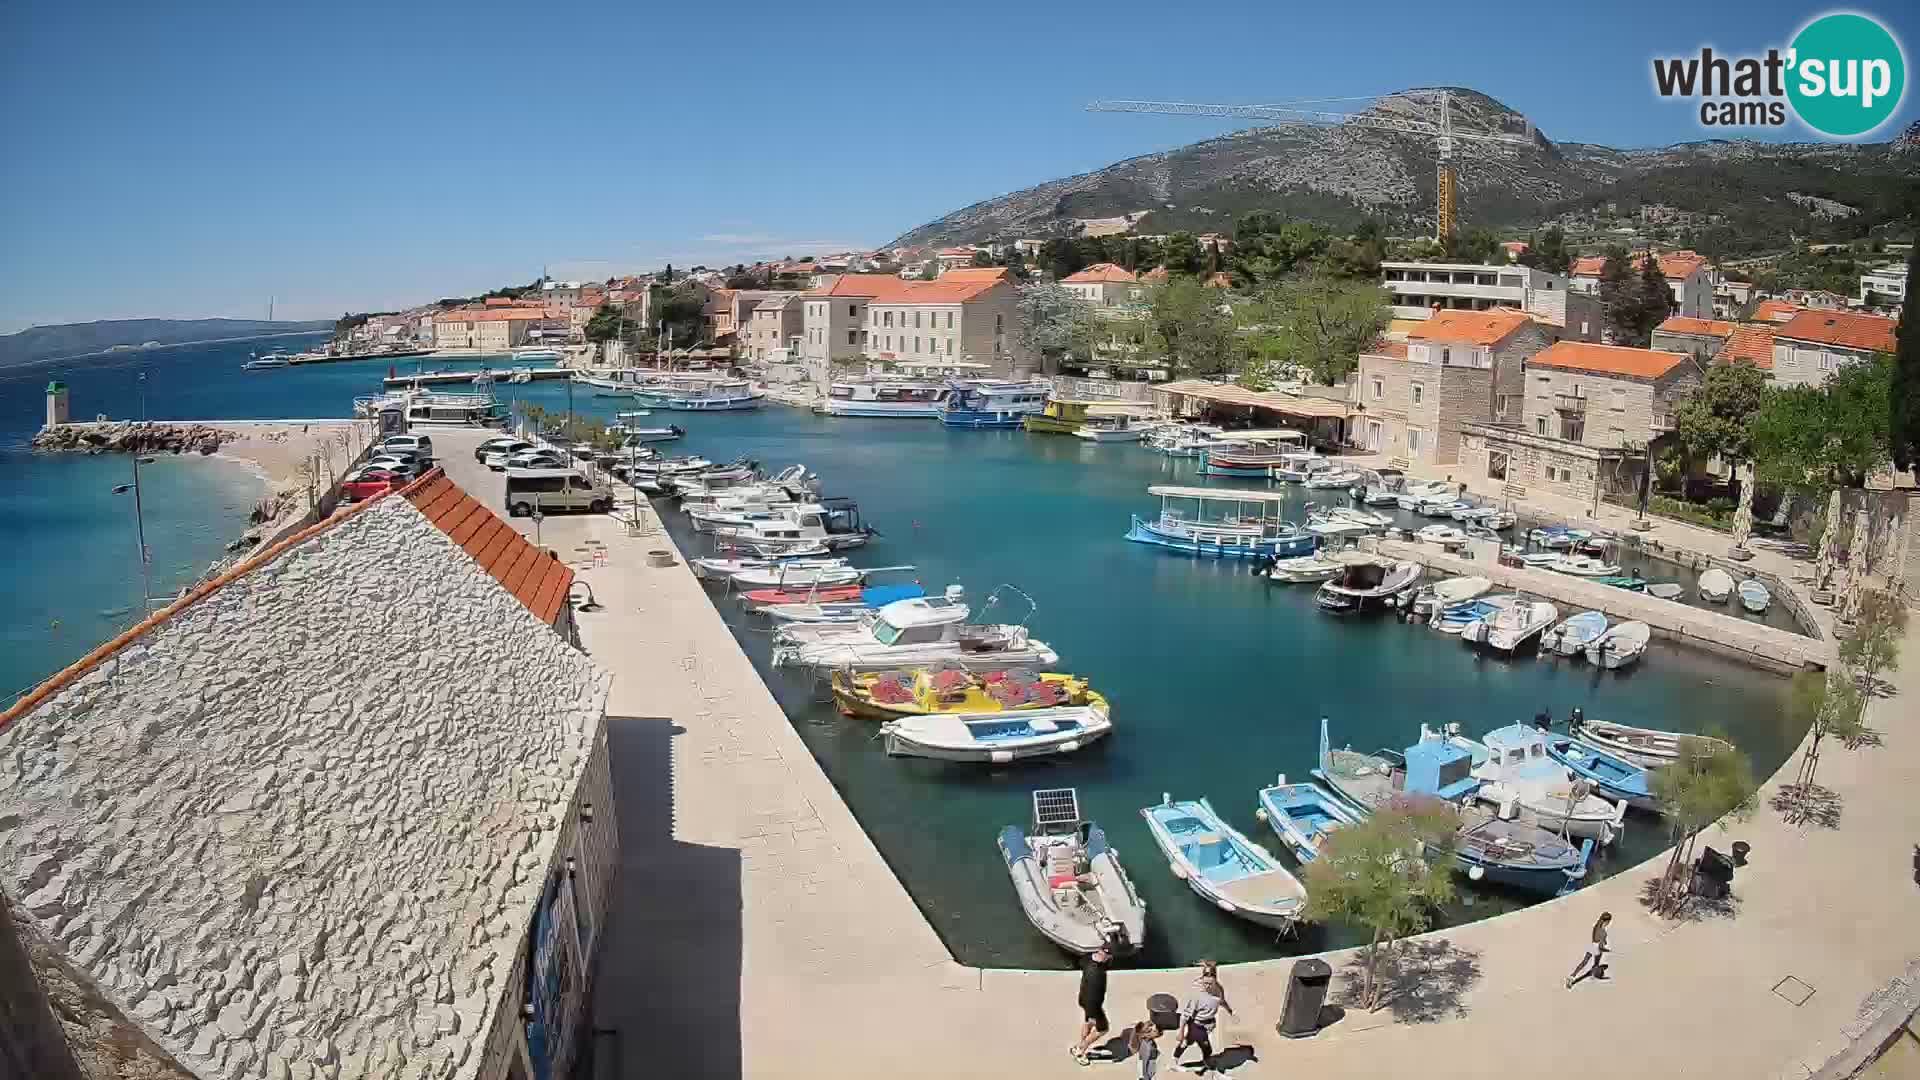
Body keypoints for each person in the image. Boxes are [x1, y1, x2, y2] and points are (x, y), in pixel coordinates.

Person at [1171, 962, 1235, 1075]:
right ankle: (1209, 1067)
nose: (1207, 986)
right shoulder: (1197, 996)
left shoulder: (1219, 990)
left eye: (1210, 983)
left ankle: (1174, 1061)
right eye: (1205, 983)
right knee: (1207, 1049)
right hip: (1197, 1025)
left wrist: (1229, 1010)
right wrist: (1180, 1031)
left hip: (1207, 1025)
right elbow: (1185, 1015)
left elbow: (1222, 1001)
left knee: (1187, 1042)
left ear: (1215, 980)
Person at [1072, 946, 1111, 1065]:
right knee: (1103, 1028)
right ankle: (1080, 1049)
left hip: (1083, 999)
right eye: (1108, 957)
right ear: (1104, 956)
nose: (1109, 959)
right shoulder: (1098, 974)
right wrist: (1095, 1011)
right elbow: (1095, 994)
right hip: (1092, 1004)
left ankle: (1079, 1046)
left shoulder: (1088, 960)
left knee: (1088, 1022)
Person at [1567, 911, 1612, 988]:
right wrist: (1606, 950)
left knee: (1584, 962)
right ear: (1607, 921)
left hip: (1592, 946)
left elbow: (1598, 938)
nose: (1609, 923)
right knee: (1596, 964)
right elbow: (1601, 946)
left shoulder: (1597, 926)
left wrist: (1603, 940)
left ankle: (1572, 976)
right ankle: (1595, 973)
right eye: (1609, 921)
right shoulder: (1602, 932)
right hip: (1597, 948)